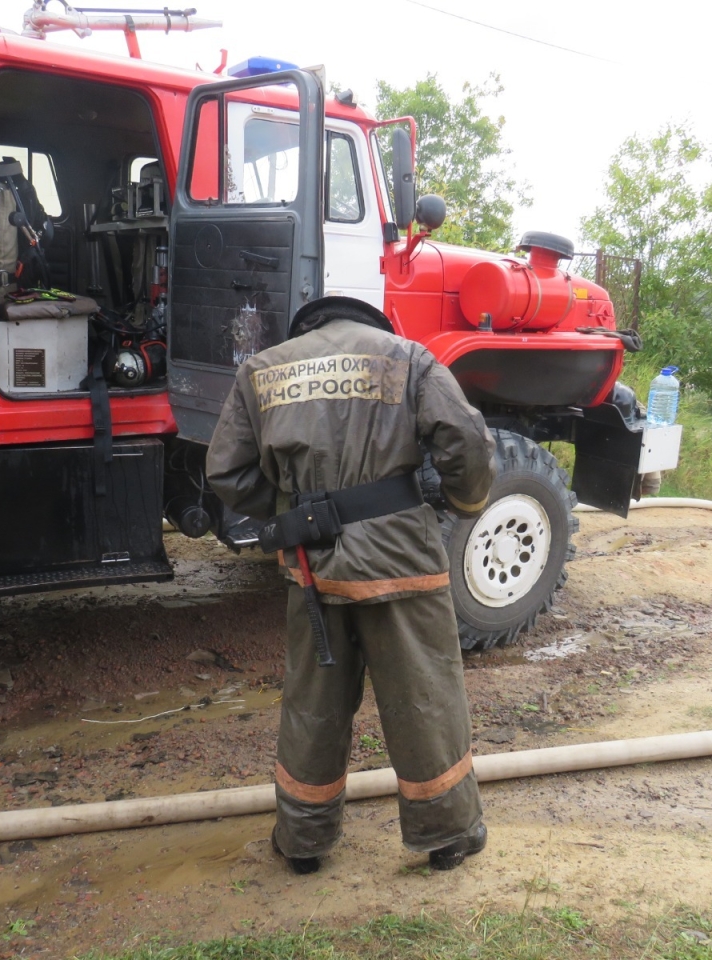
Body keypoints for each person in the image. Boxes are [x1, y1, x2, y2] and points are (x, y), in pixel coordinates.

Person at [206, 297, 495, 876]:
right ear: (370, 325)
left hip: (312, 567)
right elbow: (464, 439)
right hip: (402, 562)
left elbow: (226, 472)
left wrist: (299, 514)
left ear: (308, 328)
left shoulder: (262, 370)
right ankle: (446, 837)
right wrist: (466, 502)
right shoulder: (409, 359)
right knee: (425, 699)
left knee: (314, 705)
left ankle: (303, 843)